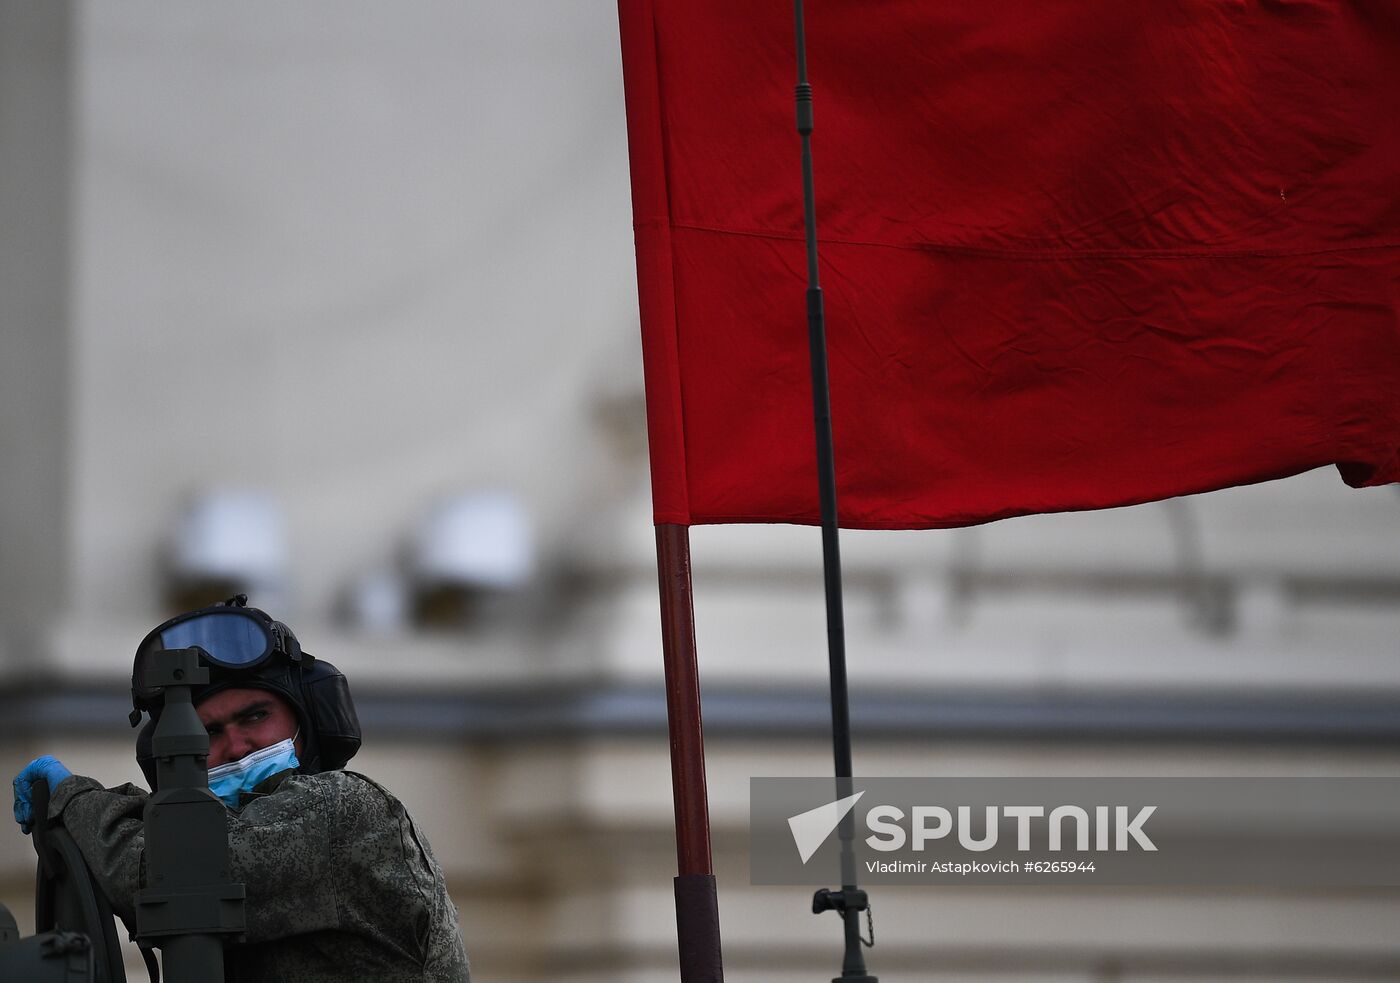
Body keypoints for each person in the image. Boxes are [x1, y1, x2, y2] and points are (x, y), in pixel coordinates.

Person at [12, 597, 471, 982]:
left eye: (255, 716)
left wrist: (73, 799)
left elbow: (168, 876)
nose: (235, 746)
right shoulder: (244, 834)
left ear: (307, 721)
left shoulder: (345, 812)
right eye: (208, 734)